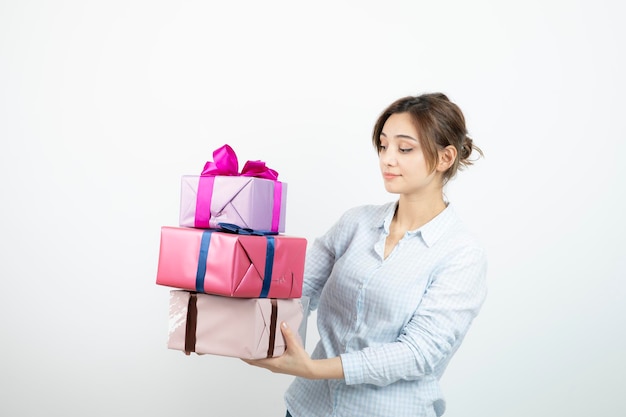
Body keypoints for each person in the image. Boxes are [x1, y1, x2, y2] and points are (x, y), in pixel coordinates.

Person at [243, 92, 488, 417]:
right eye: (383, 146)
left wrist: (315, 369)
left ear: (445, 158)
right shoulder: (356, 222)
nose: (387, 159)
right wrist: (226, 329)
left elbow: (417, 354)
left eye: (404, 149)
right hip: (307, 408)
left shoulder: (461, 255)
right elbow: (295, 287)